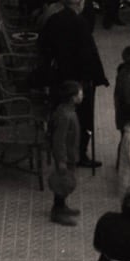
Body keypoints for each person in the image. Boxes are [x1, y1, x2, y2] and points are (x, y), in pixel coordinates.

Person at [37, 0, 108, 168]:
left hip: (59, 76)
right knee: (83, 119)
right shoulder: (80, 23)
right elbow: (88, 54)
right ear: (80, 2)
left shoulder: (54, 20)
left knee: (60, 115)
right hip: (78, 80)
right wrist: (96, 78)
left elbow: (44, 48)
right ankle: (79, 154)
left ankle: (58, 151)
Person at [49, 81, 83, 226]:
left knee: (64, 183)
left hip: (70, 154)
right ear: (72, 97)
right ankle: (57, 212)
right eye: (80, 93)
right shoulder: (65, 115)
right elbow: (59, 140)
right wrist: (62, 161)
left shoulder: (67, 110)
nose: (82, 96)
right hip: (66, 157)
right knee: (62, 183)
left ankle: (61, 206)